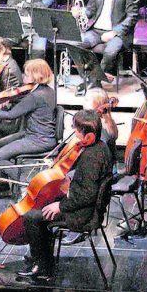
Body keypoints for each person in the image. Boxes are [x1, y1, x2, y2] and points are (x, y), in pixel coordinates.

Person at [17, 110, 114, 282]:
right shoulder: (100, 147)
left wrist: (60, 206)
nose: (74, 133)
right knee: (45, 205)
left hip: (83, 214)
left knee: (31, 216)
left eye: (77, 130)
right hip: (84, 206)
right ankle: (43, 257)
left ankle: (43, 267)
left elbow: (87, 195)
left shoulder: (91, 158)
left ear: (88, 135)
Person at [70, 0, 140, 95]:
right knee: (77, 45)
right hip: (96, 30)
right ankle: (89, 80)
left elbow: (132, 16)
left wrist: (114, 32)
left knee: (110, 52)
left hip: (117, 33)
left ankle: (93, 83)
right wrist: (80, 12)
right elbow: (91, 10)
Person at [0, 59, 58, 183]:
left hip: (38, 139)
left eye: (27, 74)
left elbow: (10, 115)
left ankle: (25, 181)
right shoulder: (48, 91)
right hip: (41, 135)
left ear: (36, 76)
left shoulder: (35, 96)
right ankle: (2, 186)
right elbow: (29, 105)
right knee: (0, 144)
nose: (24, 76)